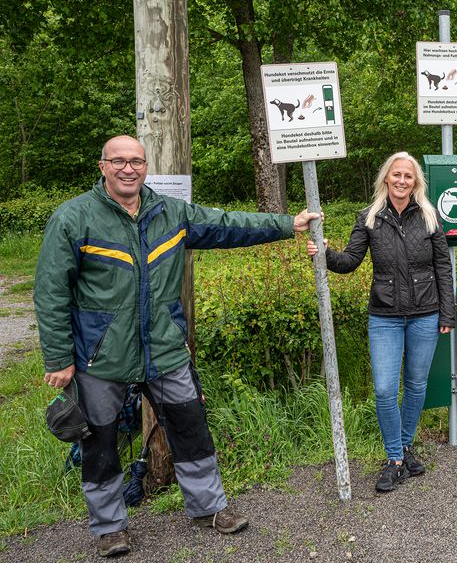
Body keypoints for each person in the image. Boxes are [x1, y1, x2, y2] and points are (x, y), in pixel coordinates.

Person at [35, 135, 319, 557]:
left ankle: (210, 508)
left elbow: (225, 224)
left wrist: (285, 224)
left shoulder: (170, 212)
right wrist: (59, 358)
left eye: (136, 161)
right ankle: (110, 527)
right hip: (101, 355)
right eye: (119, 162)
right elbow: (51, 291)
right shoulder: (74, 218)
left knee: (191, 429)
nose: (128, 169)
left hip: (166, 349)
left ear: (146, 166)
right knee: (100, 442)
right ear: (103, 166)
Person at [308, 151, 455, 493]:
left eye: (408, 176)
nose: (402, 181)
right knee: (386, 390)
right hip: (385, 316)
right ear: (386, 179)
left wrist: (446, 313)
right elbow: (348, 261)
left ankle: (401, 452)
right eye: (396, 175)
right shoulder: (369, 218)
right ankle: (395, 457)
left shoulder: (430, 217)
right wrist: (325, 251)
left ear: (415, 181)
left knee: (417, 386)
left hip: (425, 313)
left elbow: (442, 269)